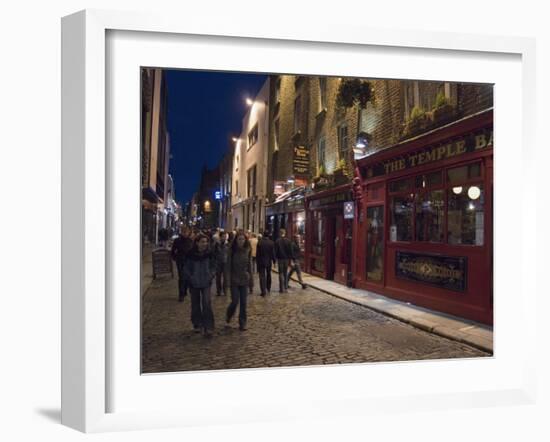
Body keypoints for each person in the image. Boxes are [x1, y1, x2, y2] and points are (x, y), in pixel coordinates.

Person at [183, 234, 216, 337]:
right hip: (194, 282)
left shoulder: (210, 254)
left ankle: (208, 326)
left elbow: (214, 266)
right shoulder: (191, 254)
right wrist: (191, 277)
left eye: (206, 242)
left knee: (206, 303)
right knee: (195, 304)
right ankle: (197, 323)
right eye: (202, 241)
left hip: (206, 282)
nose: (204, 244)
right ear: (197, 243)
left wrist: (211, 275)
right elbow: (186, 268)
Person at [225, 231, 252, 331]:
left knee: (244, 303)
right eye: (239, 239)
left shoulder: (247, 250)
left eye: (243, 239)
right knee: (235, 301)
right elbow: (228, 266)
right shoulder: (232, 251)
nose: (241, 241)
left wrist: (251, 280)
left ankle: (242, 323)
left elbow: (249, 266)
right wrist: (227, 280)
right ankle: (229, 314)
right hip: (234, 279)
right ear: (236, 240)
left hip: (244, 279)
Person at [171, 226, 194, 302]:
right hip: (180, 260)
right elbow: (173, 250)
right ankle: (181, 294)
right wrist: (175, 258)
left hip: (188, 261)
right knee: (181, 277)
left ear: (188, 232)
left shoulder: (190, 241)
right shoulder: (177, 241)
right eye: (183, 232)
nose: (185, 233)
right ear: (181, 232)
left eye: (186, 232)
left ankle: (184, 290)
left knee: (187, 277)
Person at [256, 231, 276, 296]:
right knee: (268, 274)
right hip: (268, 261)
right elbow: (273, 253)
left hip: (261, 261)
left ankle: (263, 291)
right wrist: (274, 261)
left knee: (262, 276)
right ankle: (268, 287)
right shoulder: (271, 243)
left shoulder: (260, 242)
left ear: (263, 235)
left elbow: (257, 254)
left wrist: (257, 262)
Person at [274, 228, 292, 293]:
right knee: (285, 273)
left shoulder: (277, 241)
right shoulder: (288, 241)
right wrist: (291, 259)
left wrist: (274, 260)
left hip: (280, 259)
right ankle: (286, 287)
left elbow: (275, 252)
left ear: (280, 233)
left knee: (280, 273)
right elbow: (290, 251)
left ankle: (281, 288)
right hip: (286, 259)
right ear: (285, 233)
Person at [213, 231, 230, 296]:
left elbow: (229, 253)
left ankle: (225, 290)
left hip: (226, 263)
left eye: (225, 236)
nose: (224, 238)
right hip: (218, 262)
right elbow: (214, 253)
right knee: (218, 277)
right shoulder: (216, 244)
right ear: (220, 237)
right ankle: (218, 290)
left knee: (226, 278)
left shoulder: (228, 244)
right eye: (223, 236)